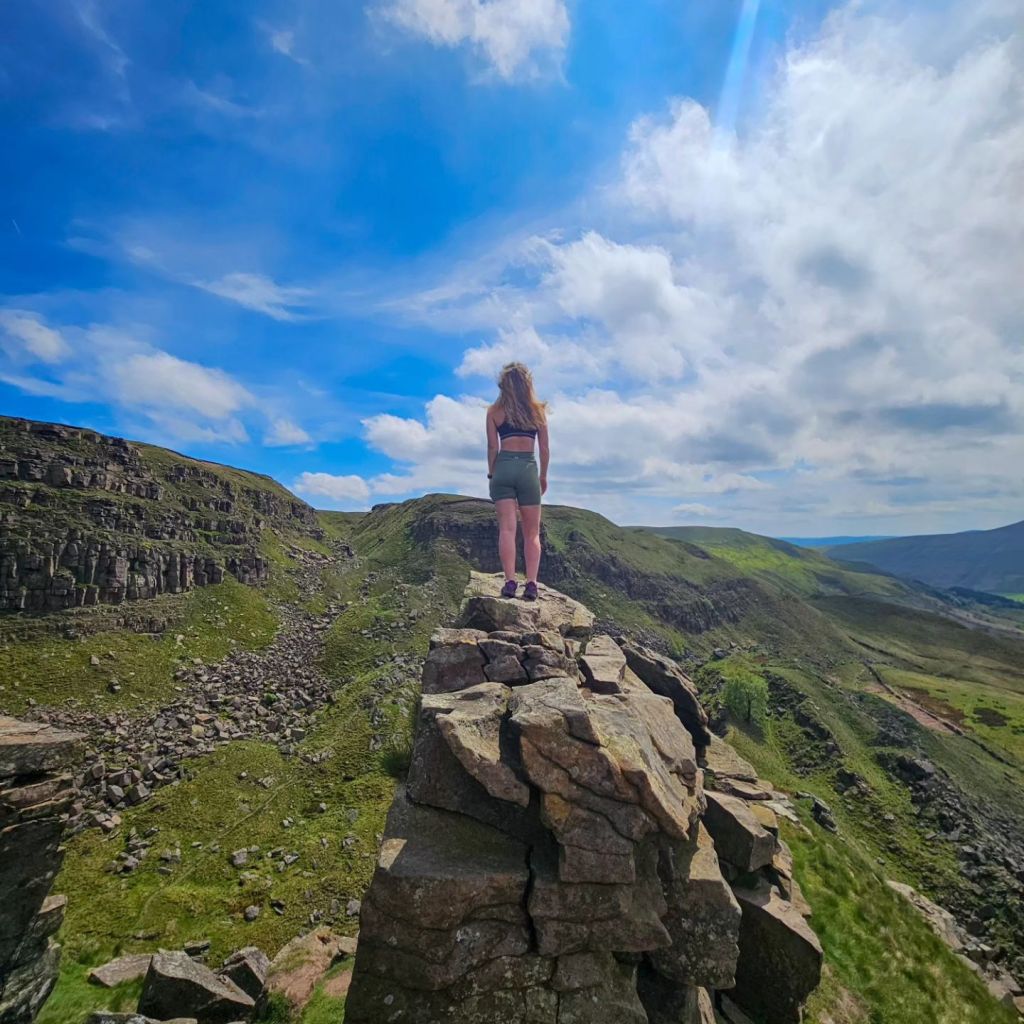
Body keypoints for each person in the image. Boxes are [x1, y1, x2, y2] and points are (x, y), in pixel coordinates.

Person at [486, 362, 549, 600]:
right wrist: (543, 476)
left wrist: (492, 473)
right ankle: (531, 584)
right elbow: (544, 448)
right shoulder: (537, 411)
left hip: (503, 467)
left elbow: (493, 447)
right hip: (527, 468)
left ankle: (510, 581)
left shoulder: (494, 412)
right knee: (531, 532)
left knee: (507, 529)